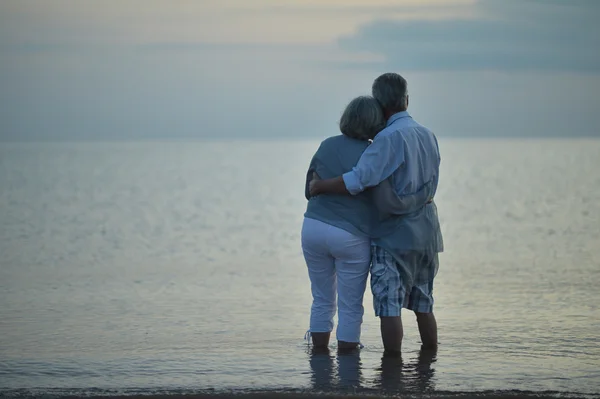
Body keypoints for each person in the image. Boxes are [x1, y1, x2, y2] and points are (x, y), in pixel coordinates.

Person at [310, 73, 443, 354]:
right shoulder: (427, 134)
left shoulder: (388, 137)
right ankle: (430, 368)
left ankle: (391, 372)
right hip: (427, 229)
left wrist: (320, 185)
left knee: (389, 306)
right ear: (406, 100)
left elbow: (359, 179)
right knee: (423, 304)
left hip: (393, 234)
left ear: (380, 105)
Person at [302, 96, 385, 352]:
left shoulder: (326, 146)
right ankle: (349, 366)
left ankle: (319, 360)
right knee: (350, 305)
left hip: (313, 227)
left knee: (322, 298)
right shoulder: (373, 152)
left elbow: (308, 191)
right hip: (351, 233)